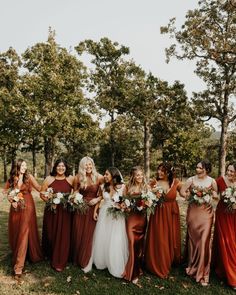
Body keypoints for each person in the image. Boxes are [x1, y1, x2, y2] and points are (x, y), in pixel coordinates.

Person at [83, 167, 129, 278]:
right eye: (104, 174)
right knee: (103, 237)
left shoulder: (122, 187)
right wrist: (95, 211)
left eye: (107, 174)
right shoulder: (103, 186)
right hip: (104, 214)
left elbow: (127, 201)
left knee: (115, 238)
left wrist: (122, 207)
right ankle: (102, 261)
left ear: (113, 175)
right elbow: (100, 199)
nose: (104, 176)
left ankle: (115, 263)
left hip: (117, 216)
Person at [3, 159, 43, 281]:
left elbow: (39, 187)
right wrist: (11, 201)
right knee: (17, 231)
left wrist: (50, 188)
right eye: (23, 165)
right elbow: (6, 191)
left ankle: (18, 267)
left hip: (27, 206)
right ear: (17, 166)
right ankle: (24, 254)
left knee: (24, 233)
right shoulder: (12, 178)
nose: (24, 167)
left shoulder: (28, 177)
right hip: (15, 207)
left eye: (26, 165)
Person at [180, 159, 218, 286]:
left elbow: (216, 195)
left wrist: (212, 195)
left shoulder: (212, 181)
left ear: (206, 169)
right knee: (193, 240)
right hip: (193, 213)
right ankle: (192, 266)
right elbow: (182, 192)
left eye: (199, 167)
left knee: (204, 241)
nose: (197, 169)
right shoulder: (191, 180)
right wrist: (189, 196)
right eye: (196, 167)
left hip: (206, 214)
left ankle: (203, 272)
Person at [145, 162, 181, 279]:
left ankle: (169, 260)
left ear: (169, 172)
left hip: (171, 215)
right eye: (159, 170)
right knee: (159, 237)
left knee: (168, 237)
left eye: (163, 171)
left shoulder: (175, 182)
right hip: (158, 214)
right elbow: (146, 194)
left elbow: (185, 192)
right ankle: (156, 264)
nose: (159, 172)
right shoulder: (154, 182)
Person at [40, 158, 74, 272]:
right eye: (59, 166)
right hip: (52, 211)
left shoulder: (71, 179)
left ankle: (60, 259)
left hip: (65, 213)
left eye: (63, 166)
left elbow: (77, 190)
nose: (61, 168)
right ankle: (49, 253)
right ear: (55, 167)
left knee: (63, 235)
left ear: (66, 167)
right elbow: (42, 193)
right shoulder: (49, 179)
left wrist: (73, 199)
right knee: (51, 233)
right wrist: (49, 200)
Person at [71, 156, 103, 268]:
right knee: (78, 232)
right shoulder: (77, 178)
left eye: (90, 164)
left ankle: (87, 258)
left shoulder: (99, 177)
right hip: (80, 209)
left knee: (89, 233)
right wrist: (75, 197)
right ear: (82, 166)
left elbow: (106, 193)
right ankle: (78, 257)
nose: (88, 167)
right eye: (86, 164)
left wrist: (97, 199)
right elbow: (75, 191)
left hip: (93, 209)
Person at [213, 162, 236, 290]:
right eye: (228, 170)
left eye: (232, 171)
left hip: (235, 216)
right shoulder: (220, 181)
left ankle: (221, 266)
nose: (229, 173)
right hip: (223, 215)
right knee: (228, 242)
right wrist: (215, 195)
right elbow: (214, 194)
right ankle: (232, 277)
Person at [122, 166, 147, 284]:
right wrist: (126, 207)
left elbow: (149, 201)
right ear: (133, 176)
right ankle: (132, 271)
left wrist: (146, 204)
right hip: (131, 218)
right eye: (137, 175)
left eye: (141, 175)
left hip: (142, 218)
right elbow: (123, 202)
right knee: (132, 243)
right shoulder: (127, 187)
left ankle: (138, 267)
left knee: (140, 244)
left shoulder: (146, 187)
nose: (140, 177)